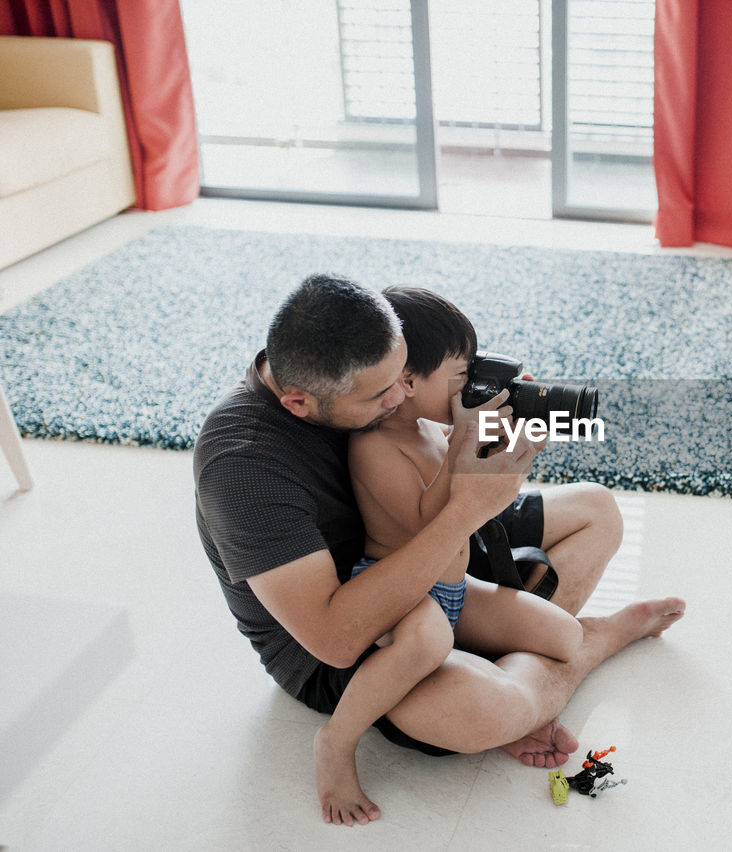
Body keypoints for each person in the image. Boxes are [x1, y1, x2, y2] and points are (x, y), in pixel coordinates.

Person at [194, 273, 686, 827]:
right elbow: (334, 640)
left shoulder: (352, 353)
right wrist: (469, 507)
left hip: (439, 542)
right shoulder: (242, 466)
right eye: (384, 393)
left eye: (404, 373)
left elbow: (432, 403)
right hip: (357, 633)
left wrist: (499, 430)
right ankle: (589, 646)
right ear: (299, 402)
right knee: (483, 711)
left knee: (598, 510)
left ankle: (522, 666)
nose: (403, 394)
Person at [313, 285, 586, 825]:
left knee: (566, 635)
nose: (470, 389)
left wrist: (521, 433)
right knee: (429, 637)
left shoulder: (431, 427)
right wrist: (463, 443)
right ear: (408, 383)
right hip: (402, 595)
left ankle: (498, 702)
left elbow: (487, 479)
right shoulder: (376, 448)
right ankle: (336, 744)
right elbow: (429, 528)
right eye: (461, 378)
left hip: (456, 589)